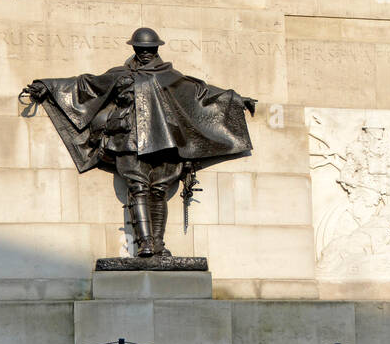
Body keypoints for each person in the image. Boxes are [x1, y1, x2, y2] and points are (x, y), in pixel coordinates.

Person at [25, 27, 256, 258]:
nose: (145, 53)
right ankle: (145, 244)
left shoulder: (170, 76)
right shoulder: (121, 75)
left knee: (159, 190)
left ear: (156, 49)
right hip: (129, 139)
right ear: (134, 49)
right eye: (141, 49)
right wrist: (48, 85)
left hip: (164, 141)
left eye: (150, 49)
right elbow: (86, 85)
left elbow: (200, 94)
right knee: (138, 188)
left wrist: (236, 101)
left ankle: (158, 244)